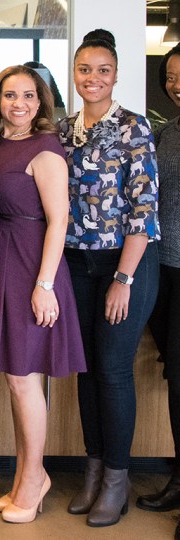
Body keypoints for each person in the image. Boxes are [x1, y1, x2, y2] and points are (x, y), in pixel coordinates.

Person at [59, 29, 160, 528]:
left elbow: (144, 209)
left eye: (102, 69)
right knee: (86, 368)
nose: (93, 77)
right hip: (78, 262)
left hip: (127, 261)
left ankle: (117, 481)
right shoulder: (63, 130)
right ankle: (93, 471)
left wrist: (124, 277)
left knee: (114, 369)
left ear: (116, 75)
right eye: (84, 69)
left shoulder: (134, 127)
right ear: (73, 74)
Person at [0, 66, 86, 524]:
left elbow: (58, 221)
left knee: (25, 379)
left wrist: (44, 285)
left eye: (27, 96)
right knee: (15, 378)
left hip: (31, 266)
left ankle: (34, 479)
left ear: (40, 102)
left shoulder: (47, 150)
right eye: (9, 95)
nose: (18, 104)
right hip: (0, 263)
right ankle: (27, 475)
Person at [137, 43, 180, 518]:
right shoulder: (166, 133)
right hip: (163, 268)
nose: (176, 83)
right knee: (175, 379)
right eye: (170, 75)